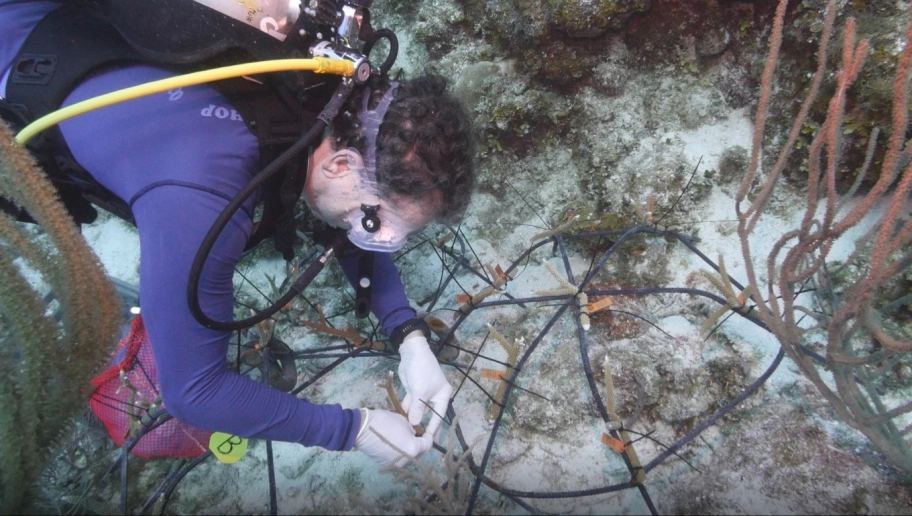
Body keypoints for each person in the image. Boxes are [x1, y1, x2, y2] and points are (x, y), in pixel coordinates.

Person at [0, 0, 476, 468]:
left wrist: (407, 333)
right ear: (340, 164)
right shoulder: (201, 191)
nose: (363, 234)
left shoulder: (330, 81)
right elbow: (193, 391)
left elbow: (346, 207)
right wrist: (355, 429)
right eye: (373, 223)